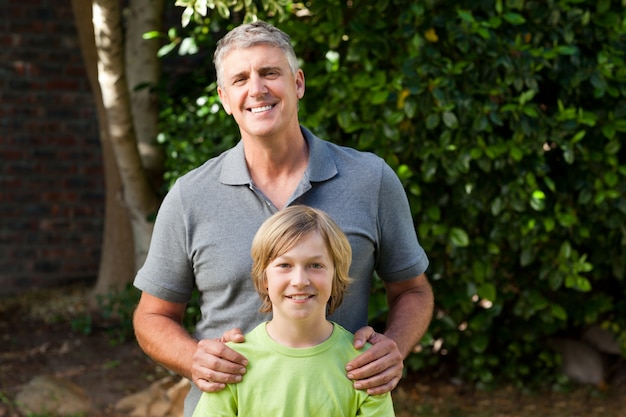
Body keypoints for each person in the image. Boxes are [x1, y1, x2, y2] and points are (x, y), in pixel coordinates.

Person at [133, 20, 434, 417]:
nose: (256, 89)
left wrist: (393, 346)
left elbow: (414, 290)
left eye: (270, 73)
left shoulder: (370, 180)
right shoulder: (190, 196)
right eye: (240, 79)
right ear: (224, 98)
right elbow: (152, 316)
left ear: (298, 83)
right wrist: (194, 359)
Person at [192, 206, 396, 416]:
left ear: (335, 277)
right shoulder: (232, 363)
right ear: (264, 280)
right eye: (285, 265)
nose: (299, 281)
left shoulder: (365, 366)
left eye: (315, 265)